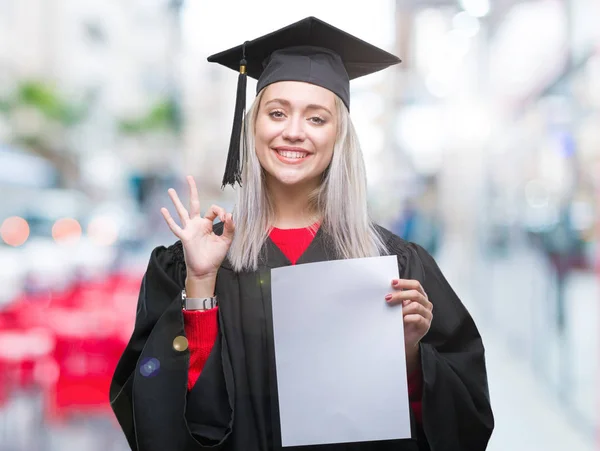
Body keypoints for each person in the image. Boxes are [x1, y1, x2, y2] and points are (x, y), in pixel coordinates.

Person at [109, 17, 494, 451]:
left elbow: (466, 422)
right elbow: (161, 417)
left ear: (339, 137)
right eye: (277, 113)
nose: (293, 131)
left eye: (317, 118)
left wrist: (407, 355)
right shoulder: (192, 260)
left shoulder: (395, 263)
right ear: (252, 127)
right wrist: (200, 283)